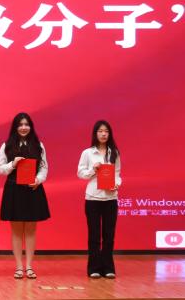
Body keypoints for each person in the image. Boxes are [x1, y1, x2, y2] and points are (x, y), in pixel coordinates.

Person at [0, 112, 50, 280]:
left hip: (33, 189)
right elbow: (0, 169)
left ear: (31, 127)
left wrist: (38, 180)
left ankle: (29, 266)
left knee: (31, 229)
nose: (24, 127)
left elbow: (44, 168)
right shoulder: (6, 145)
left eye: (27, 124)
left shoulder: (39, 145)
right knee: (17, 230)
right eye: (20, 125)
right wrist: (13, 164)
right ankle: (19, 267)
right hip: (14, 189)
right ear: (15, 127)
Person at [77, 120, 122, 279]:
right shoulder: (87, 153)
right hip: (93, 198)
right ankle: (94, 268)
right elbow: (80, 173)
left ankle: (108, 268)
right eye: (100, 131)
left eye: (106, 131)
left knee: (109, 235)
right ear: (95, 134)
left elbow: (117, 174)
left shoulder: (114, 152)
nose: (103, 134)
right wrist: (93, 169)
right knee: (94, 235)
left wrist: (116, 184)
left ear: (110, 134)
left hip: (110, 198)